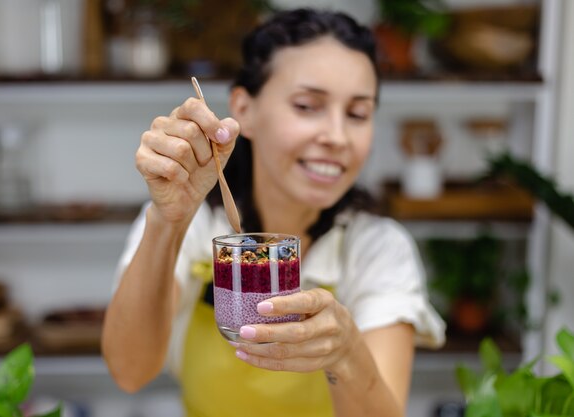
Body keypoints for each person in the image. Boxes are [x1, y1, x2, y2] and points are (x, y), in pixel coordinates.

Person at [102, 8, 445, 417]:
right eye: (307, 106)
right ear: (244, 109)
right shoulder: (196, 225)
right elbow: (129, 371)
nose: (336, 137)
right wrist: (168, 222)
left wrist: (347, 352)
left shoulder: (377, 248)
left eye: (357, 114)